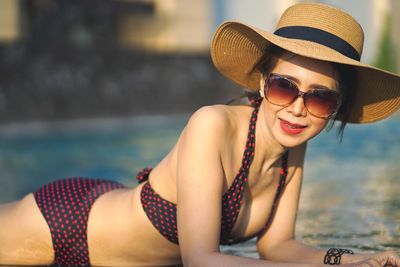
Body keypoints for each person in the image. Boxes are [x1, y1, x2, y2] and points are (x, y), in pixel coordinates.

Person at [0, 3, 399, 267]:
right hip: (65, 226)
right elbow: (201, 259)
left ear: (336, 107)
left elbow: (277, 247)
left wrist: (351, 259)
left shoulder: (290, 146)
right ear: (262, 84)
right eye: (283, 86)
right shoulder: (213, 125)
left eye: (320, 99)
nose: (297, 107)